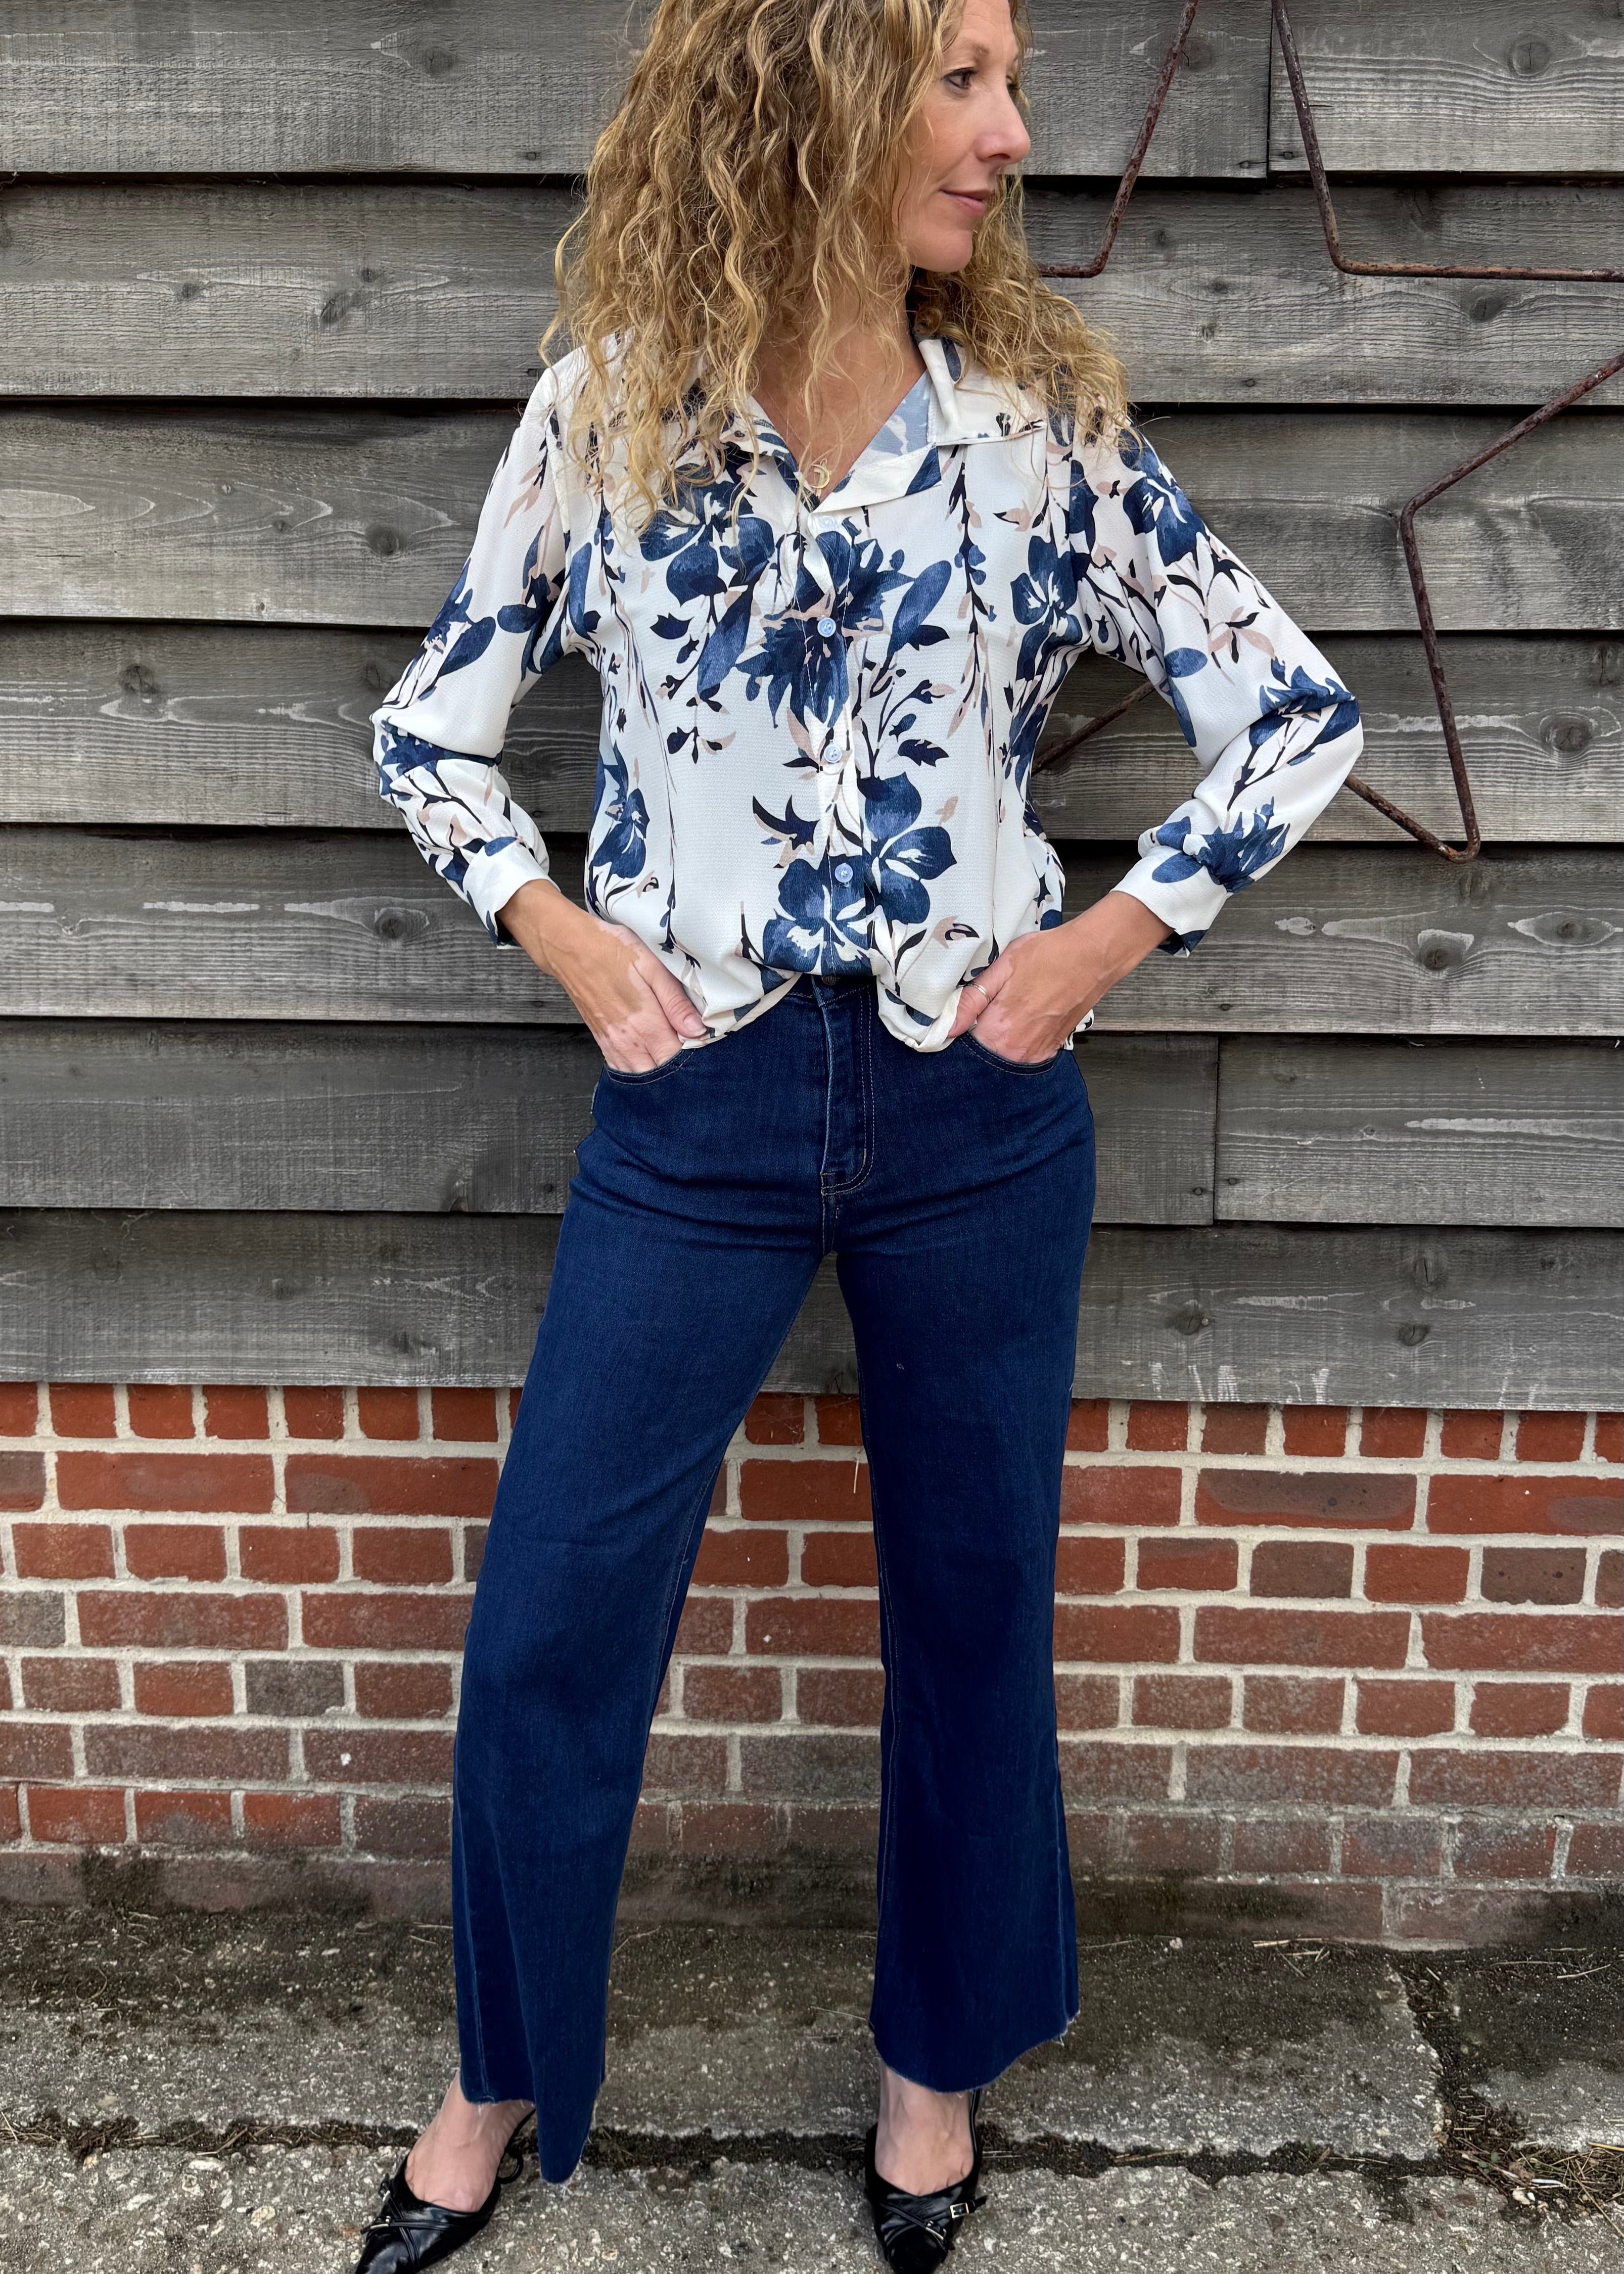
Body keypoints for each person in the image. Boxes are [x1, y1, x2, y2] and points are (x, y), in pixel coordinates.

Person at [350, 1, 1363, 2265]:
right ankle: (495, 2066)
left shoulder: (1035, 438)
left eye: (1013, 80)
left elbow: (1294, 716)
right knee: (552, 1622)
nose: (1011, 133)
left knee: (977, 1611)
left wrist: (1098, 945)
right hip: (692, 1104)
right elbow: (431, 731)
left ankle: (932, 2074)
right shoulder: (612, 413)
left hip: (972, 1108)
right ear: (810, 88)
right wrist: (564, 932)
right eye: (964, 76)